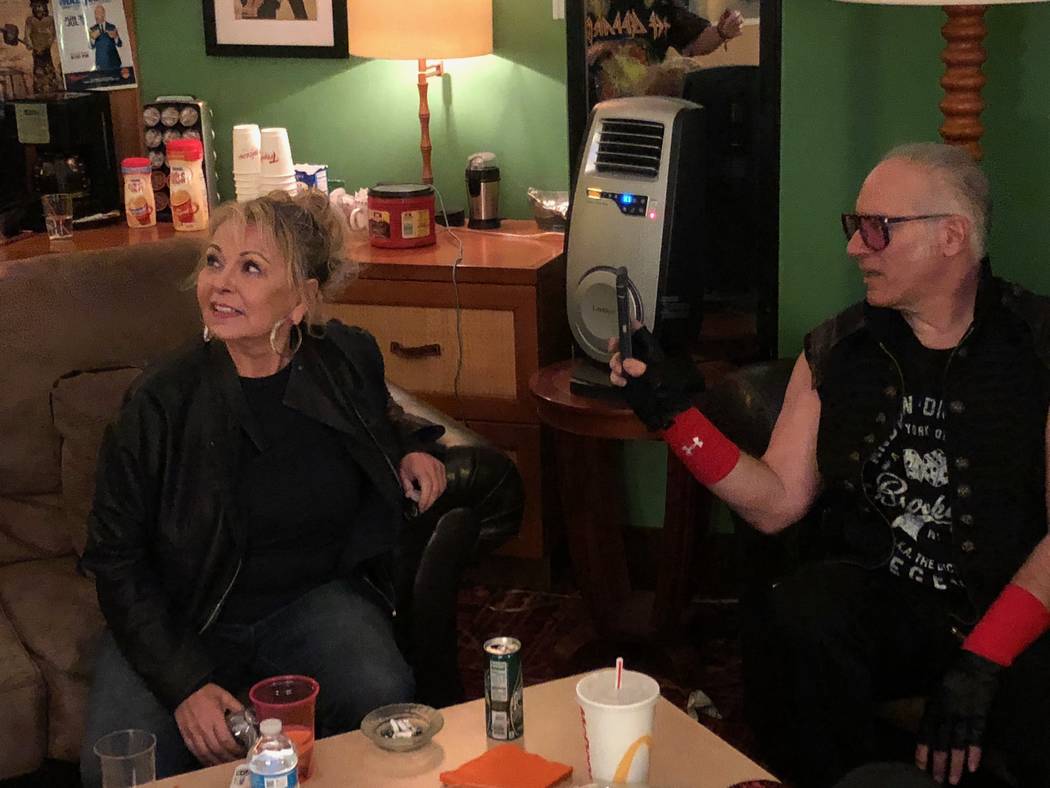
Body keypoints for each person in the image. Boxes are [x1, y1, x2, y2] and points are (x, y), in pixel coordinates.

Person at [610, 143, 1050, 787]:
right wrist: (676, 418)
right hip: (889, 602)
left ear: (952, 236)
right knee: (806, 611)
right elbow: (778, 500)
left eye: (877, 228)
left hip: (1010, 597)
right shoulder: (838, 348)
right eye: (855, 227)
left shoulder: (1037, 346)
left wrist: (985, 655)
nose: (855, 248)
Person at [78, 190, 519, 785]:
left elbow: (377, 417)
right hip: (184, 613)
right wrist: (183, 684)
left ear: (302, 298)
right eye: (214, 261)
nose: (221, 284)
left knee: (384, 699)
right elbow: (115, 559)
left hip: (309, 599)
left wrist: (414, 447)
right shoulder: (158, 404)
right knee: (118, 763)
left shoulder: (343, 357)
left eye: (251, 267)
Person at [586, 0, 744, 102]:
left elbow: (694, 42)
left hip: (649, 107)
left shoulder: (661, 5)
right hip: (596, 111)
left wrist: (721, 32)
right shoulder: (584, 7)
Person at [24, 0, 62, 95]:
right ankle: (39, 91)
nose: (38, 8)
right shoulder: (30, 20)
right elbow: (27, 34)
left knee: (49, 71)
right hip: (36, 51)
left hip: (46, 50)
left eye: (40, 6)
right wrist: (30, 44)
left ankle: (52, 89)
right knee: (38, 72)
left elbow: (52, 35)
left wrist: (46, 46)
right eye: (36, 6)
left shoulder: (50, 19)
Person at [88, 4, 122, 71]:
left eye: (99, 13)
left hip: (114, 62)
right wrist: (92, 39)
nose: (96, 15)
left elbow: (119, 44)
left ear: (103, 14)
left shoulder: (112, 27)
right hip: (101, 64)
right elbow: (91, 47)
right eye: (95, 13)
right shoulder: (92, 29)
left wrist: (115, 37)